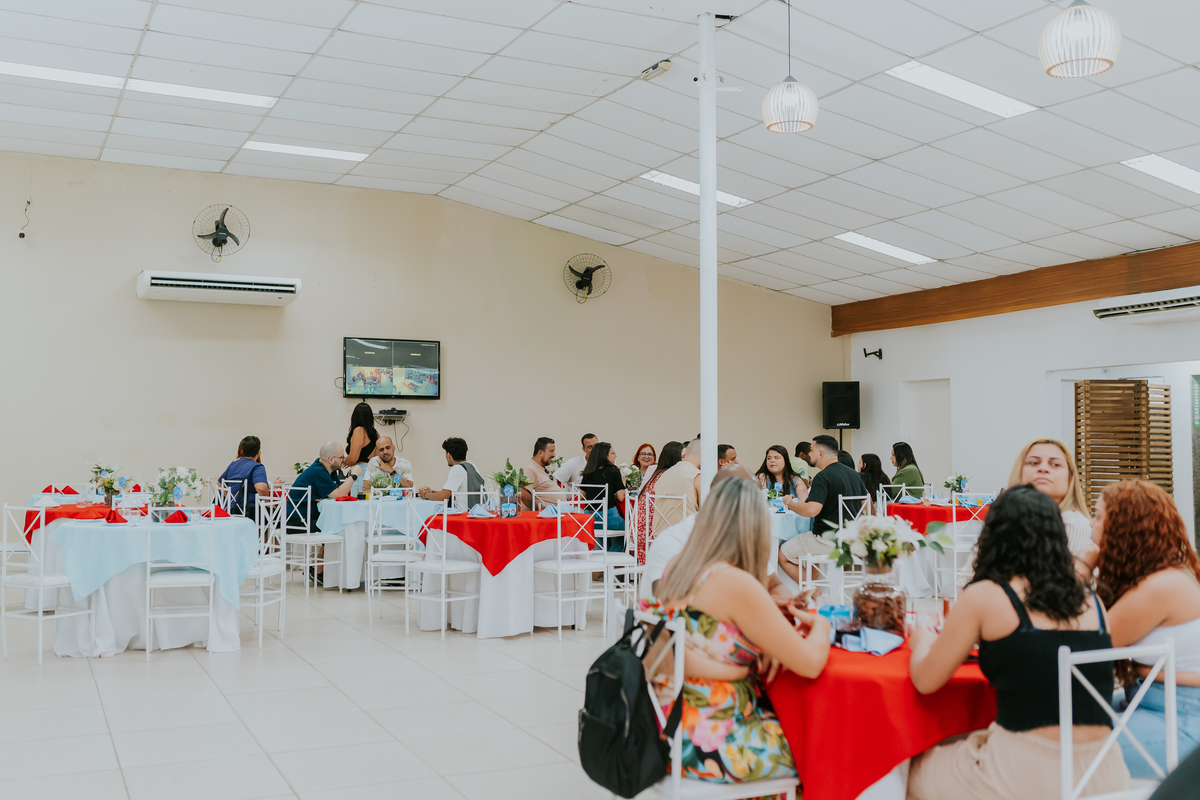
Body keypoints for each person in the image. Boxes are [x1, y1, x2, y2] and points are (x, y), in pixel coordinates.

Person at [906, 486, 1130, 799]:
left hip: (1025, 774)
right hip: (1105, 772)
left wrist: (922, 641)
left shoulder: (986, 595)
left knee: (908, 769)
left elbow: (926, 680)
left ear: (994, 536)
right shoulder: (1092, 600)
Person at [639, 475, 830, 791]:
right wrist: (822, 622)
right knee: (826, 745)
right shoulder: (735, 582)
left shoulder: (679, 567)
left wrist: (750, 652)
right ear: (754, 526)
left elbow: (706, 637)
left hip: (667, 725)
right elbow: (810, 663)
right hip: (713, 737)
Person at [1094, 480, 1200, 778]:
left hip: (1180, 722)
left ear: (1123, 527)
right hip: (1152, 702)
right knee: (1047, 728)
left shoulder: (1159, 587)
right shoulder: (1165, 575)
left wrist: (1080, 567)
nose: (1091, 525)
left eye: (1097, 516)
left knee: (1059, 749)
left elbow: (1083, 646)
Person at [777, 435, 868, 583]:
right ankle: (815, 591)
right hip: (851, 539)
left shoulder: (823, 477)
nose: (809, 454)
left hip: (827, 539)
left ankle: (816, 595)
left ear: (820, 453)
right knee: (808, 548)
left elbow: (812, 510)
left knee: (782, 554)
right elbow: (867, 504)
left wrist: (789, 503)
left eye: (811, 450)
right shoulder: (854, 475)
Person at [1008, 438, 1095, 564]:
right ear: (1019, 471)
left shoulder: (1075, 526)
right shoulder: (1003, 522)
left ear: (1070, 478)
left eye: (1055, 464)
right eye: (1034, 463)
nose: (1043, 469)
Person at [289, 442, 362, 532]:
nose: (343, 460)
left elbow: (340, 493)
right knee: (341, 528)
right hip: (298, 521)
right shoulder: (318, 471)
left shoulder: (331, 470)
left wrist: (329, 496)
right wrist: (354, 475)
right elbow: (338, 494)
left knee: (342, 524)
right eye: (341, 457)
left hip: (310, 517)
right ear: (331, 459)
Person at [630, 441, 682, 566]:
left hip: (638, 529)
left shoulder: (655, 473)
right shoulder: (669, 476)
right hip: (652, 532)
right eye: (684, 456)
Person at [417, 437, 484, 511]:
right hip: (477, 512)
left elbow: (443, 497)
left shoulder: (458, 469)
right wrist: (432, 492)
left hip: (463, 514)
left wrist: (424, 494)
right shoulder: (472, 466)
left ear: (449, 455)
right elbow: (450, 493)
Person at [580, 442, 626, 549]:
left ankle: (604, 555)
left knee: (603, 535)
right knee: (627, 530)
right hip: (609, 516)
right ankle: (611, 558)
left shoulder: (588, 471)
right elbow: (621, 497)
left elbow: (582, 495)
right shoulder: (613, 470)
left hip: (590, 518)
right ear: (605, 456)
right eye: (613, 453)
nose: (616, 456)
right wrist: (623, 485)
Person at [652, 436, 702, 534]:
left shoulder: (665, 474)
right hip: (686, 537)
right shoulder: (697, 476)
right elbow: (707, 512)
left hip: (661, 536)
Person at [217, 435, 270, 518]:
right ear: (259, 451)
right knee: (278, 515)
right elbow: (261, 488)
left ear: (242, 450)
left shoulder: (233, 464)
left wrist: (231, 498)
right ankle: (260, 531)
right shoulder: (256, 467)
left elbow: (220, 484)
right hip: (251, 510)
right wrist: (267, 503)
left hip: (231, 509)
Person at [521, 436, 564, 511]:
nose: (554, 455)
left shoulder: (542, 466)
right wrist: (540, 510)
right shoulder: (530, 469)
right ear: (540, 452)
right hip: (545, 518)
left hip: (556, 516)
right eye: (551, 451)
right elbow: (524, 495)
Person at [343, 402, 379, 468]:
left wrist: (341, 461)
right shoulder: (375, 433)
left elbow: (353, 458)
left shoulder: (359, 430)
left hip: (361, 471)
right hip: (373, 470)